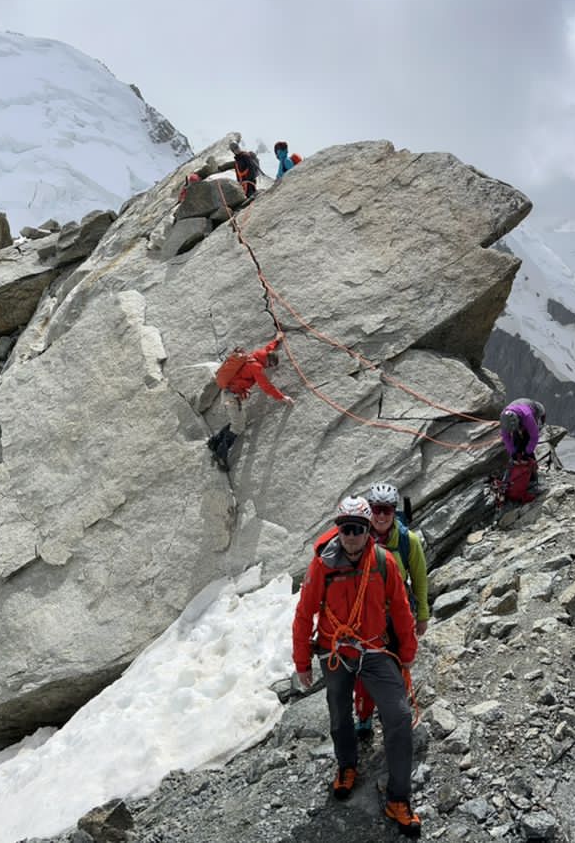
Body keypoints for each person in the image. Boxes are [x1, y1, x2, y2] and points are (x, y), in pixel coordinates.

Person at [293, 497, 422, 837]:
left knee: (399, 716)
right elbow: (305, 614)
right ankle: (347, 765)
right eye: (346, 529)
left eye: (358, 529)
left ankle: (399, 798)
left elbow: (400, 608)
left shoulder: (384, 562)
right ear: (338, 530)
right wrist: (302, 662)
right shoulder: (322, 566)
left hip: (375, 650)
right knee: (339, 715)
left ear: (368, 531)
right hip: (336, 652)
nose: (351, 536)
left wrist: (407, 650)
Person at [350, 482, 429, 745]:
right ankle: (364, 716)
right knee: (365, 670)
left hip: (398, 615)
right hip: (365, 616)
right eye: (376, 509)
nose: (381, 515)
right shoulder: (357, 539)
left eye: (386, 510)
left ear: (394, 511)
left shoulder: (409, 541)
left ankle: (394, 712)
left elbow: (419, 578)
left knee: (398, 665)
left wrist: (422, 616)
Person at [206, 335, 292, 471]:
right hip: (232, 397)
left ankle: (214, 441)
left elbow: (268, 349)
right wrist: (282, 397)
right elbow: (266, 386)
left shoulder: (255, 356)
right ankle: (220, 454)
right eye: (270, 365)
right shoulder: (257, 367)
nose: (268, 368)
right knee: (238, 426)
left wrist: (277, 340)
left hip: (229, 394)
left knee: (238, 421)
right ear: (268, 361)